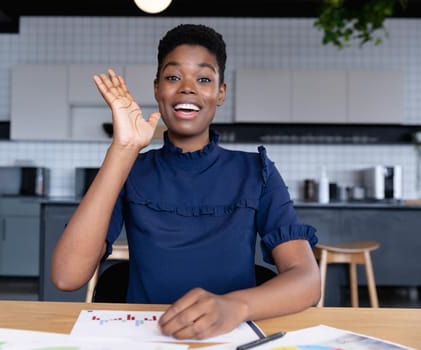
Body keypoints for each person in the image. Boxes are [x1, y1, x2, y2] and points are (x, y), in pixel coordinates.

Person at [52, 23, 321, 340]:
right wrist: (123, 149)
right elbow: (67, 277)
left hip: (231, 338)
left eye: (204, 79)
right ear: (157, 89)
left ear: (220, 93)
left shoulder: (256, 171)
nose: (187, 88)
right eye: (173, 77)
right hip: (147, 339)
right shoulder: (130, 169)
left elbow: (307, 280)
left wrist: (234, 306)